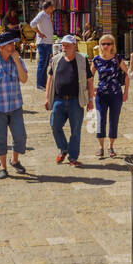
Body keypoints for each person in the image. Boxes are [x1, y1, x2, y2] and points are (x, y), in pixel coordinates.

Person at [0, 30, 28, 178]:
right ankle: (2, 167)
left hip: (15, 106)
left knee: (20, 136)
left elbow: (24, 79)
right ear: (1, 47)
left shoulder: (18, 60)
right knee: (0, 137)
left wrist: (16, 61)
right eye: (10, 44)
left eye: (13, 43)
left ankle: (14, 160)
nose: (13, 46)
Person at [46, 34, 94, 168]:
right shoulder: (56, 59)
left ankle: (73, 157)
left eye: (67, 45)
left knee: (75, 130)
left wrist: (90, 100)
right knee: (55, 125)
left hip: (75, 101)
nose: (64, 48)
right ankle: (63, 148)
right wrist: (46, 97)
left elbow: (90, 81)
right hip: (59, 100)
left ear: (74, 46)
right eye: (63, 45)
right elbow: (50, 78)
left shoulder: (82, 60)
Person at [92, 33, 128, 159]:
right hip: (101, 95)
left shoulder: (117, 58)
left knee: (114, 120)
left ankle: (111, 146)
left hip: (116, 94)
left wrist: (126, 91)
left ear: (113, 45)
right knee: (100, 120)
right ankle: (101, 147)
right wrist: (92, 90)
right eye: (103, 44)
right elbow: (90, 77)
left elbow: (127, 73)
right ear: (100, 45)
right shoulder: (96, 59)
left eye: (109, 43)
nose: (106, 46)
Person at [30, 0, 55, 91]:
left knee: (45, 64)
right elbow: (32, 24)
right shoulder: (41, 15)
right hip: (43, 43)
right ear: (48, 7)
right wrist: (39, 33)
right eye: (51, 7)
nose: (53, 9)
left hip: (47, 43)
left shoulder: (46, 16)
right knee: (42, 63)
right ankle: (40, 84)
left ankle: (43, 83)